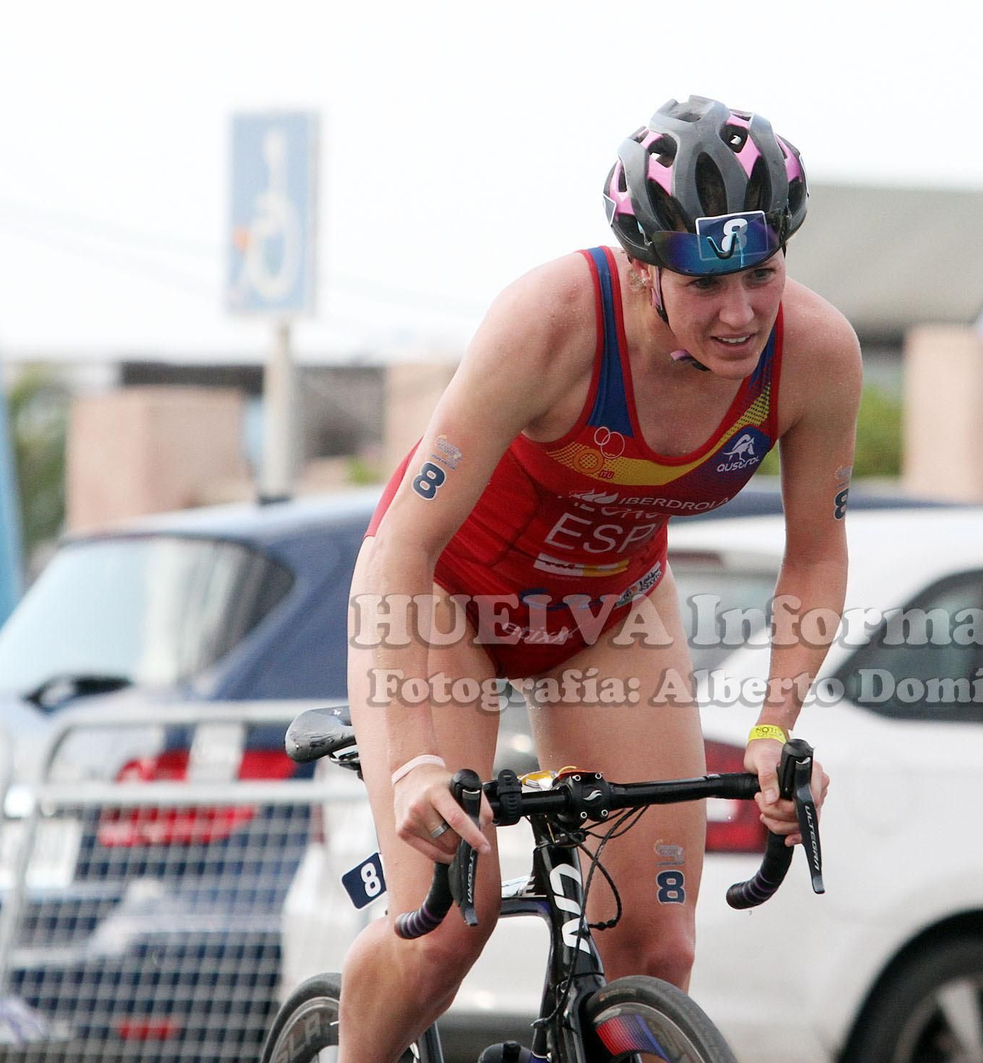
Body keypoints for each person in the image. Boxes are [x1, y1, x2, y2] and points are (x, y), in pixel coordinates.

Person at [339, 96, 854, 1063]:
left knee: (658, 949)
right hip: (447, 598)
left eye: (763, 274)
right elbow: (398, 548)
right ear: (642, 265)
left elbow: (817, 554)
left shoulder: (816, 356)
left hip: (606, 608)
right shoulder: (553, 322)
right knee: (450, 923)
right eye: (707, 283)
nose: (741, 313)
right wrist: (412, 761)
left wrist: (776, 728)